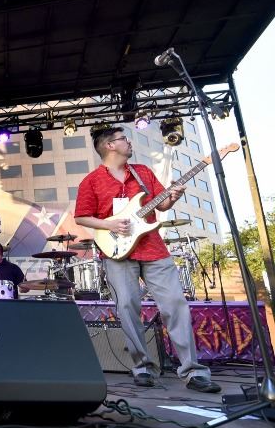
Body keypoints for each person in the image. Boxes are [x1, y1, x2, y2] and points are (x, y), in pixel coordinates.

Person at [74, 126, 220, 393]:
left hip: (153, 249)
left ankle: (193, 371)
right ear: (109, 146)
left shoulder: (142, 173)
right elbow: (81, 217)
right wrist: (109, 225)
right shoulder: (91, 181)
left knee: (175, 305)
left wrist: (172, 197)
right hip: (117, 252)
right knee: (128, 309)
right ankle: (143, 368)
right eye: (123, 139)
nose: (129, 142)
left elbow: (161, 204)